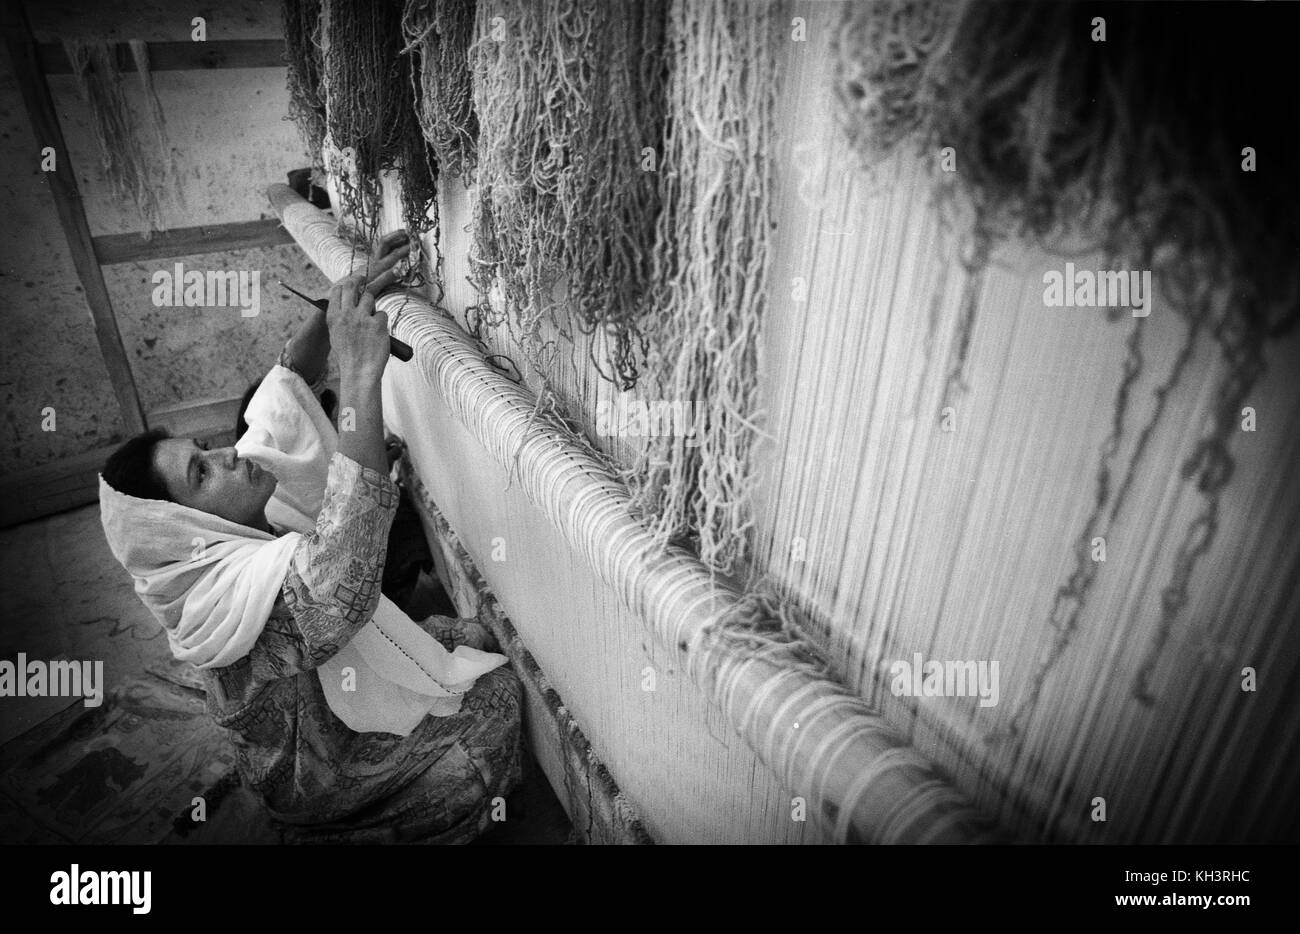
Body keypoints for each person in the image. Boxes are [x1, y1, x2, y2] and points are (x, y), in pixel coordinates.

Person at [98, 232, 522, 843]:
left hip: (326, 698)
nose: (227, 455)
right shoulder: (226, 597)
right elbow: (341, 587)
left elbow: (285, 391)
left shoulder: (219, 526)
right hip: (316, 769)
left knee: (468, 641)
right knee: (495, 708)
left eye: (204, 450)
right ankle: (338, 828)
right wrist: (358, 376)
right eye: (200, 471)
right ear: (181, 526)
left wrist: (339, 304)